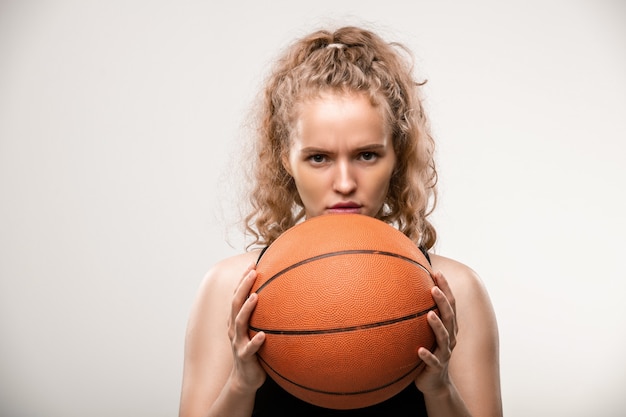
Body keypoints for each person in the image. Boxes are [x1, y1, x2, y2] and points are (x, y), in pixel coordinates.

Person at [178, 25, 502, 417]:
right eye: (319, 158)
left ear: (396, 157)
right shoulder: (229, 290)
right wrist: (241, 384)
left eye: (367, 155)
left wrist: (439, 389)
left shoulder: (455, 293)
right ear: (286, 160)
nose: (345, 183)